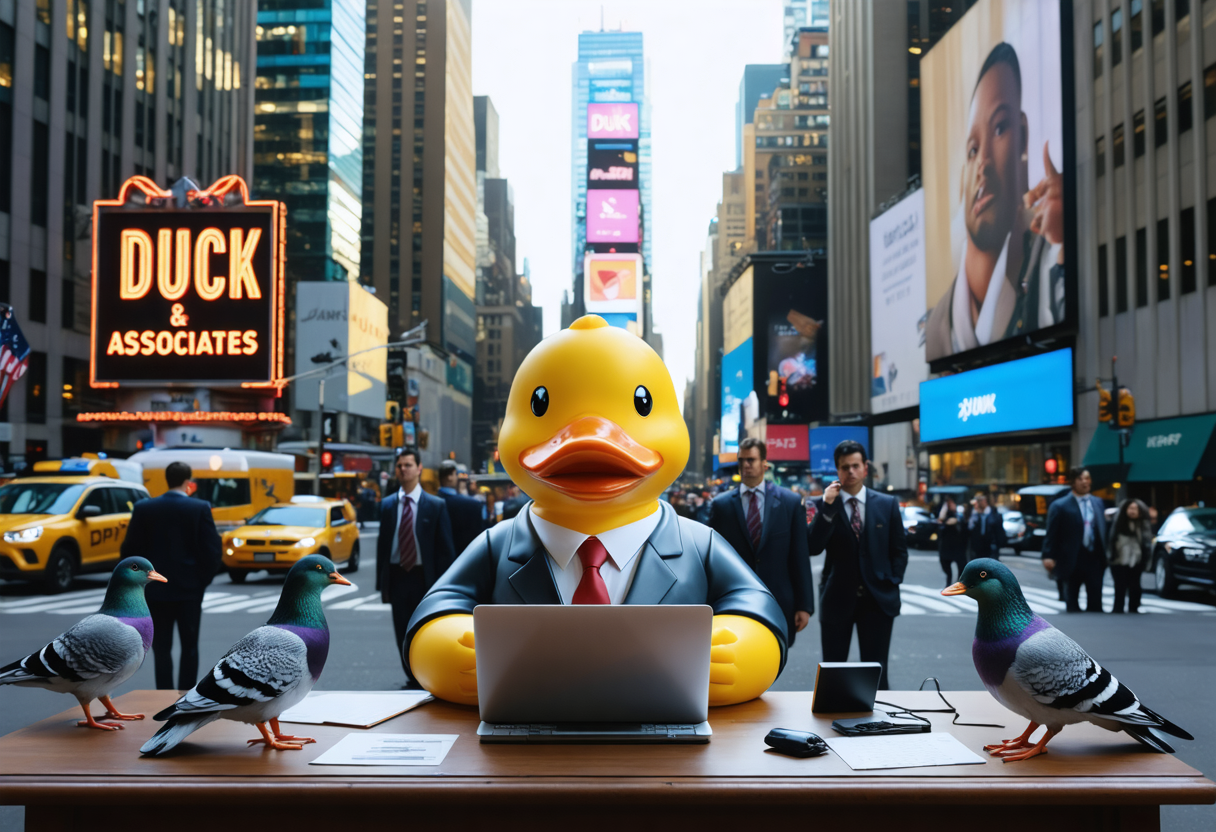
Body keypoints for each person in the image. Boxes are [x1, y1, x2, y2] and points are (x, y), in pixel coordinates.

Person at [924, 42, 1065, 361]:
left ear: (1023, 137)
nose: (983, 163)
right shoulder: (935, 328)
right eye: (972, 150)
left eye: (1000, 128)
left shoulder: (1049, 260)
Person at [807, 440, 908, 690]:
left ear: (865, 468)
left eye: (855, 466)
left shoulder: (887, 503)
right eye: (845, 467)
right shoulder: (823, 505)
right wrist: (827, 507)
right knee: (832, 672)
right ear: (837, 471)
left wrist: (892, 580)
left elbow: (899, 550)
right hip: (837, 598)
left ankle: (880, 714)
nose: (850, 471)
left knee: (877, 673)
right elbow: (813, 546)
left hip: (878, 600)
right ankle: (832, 713)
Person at [120, 461, 222, 690]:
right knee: (190, 646)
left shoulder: (144, 508)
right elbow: (213, 551)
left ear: (167, 480)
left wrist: (142, 583)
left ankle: (163, 694)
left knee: (161, 648)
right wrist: (201, 582)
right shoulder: (200, 508)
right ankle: (185, 694)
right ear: (188, 482)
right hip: (189, 590)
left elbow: (129, 551)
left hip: (155, 590)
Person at [708, 438, 814, 647]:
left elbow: (799, 556)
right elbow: (712, 558)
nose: (745, 465)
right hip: (734, 600)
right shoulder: (721, 505)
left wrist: (804, 605)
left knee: (775, 657)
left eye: (751, 460)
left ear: (764, 463)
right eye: (741, 460)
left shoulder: (790, 503)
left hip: (779, 599)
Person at [376, 448, 457, 683]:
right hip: (398, 576)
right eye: (399, 465)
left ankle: (425, 674)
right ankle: (411, 676)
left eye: (408, 465)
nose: (403, 469)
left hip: (425, 578)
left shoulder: (435, 505)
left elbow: (445, 551)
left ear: (419, 468)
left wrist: (445, 586)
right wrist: (383, 585)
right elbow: (383, 547)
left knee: (425, 628)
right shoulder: (388, 505)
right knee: (401, 629)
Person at [1042, 467, 1108, 613]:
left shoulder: (1098, 503)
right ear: (1072, 482)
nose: (1085, 482)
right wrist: (1048, 555)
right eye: (1080, 479)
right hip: (1071, 558)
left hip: (1095, 557)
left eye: (1087, 478)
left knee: (1096, 603)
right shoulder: (1060, 505)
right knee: (1072, 603)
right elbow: (1051, 533)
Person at [1107, 498, 1152, 613]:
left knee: (1135, 584)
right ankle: (1118, 607)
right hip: (1119, 559)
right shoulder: (1117, 523)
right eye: (1130, 508)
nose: (1133, 511)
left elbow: (1146, 544)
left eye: (1136, 509)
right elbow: (1111, 541)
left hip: (1136, 560)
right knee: (1119, 585)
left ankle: (1134, 607)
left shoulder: (1143, 525)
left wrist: (1146, 561)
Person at [436, 459, 486, 556]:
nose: (458, 479)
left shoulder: (431, 502)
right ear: (450, 476)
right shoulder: (472, 504)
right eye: (456, 474)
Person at [937, 495, 968, 586]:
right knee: (946, 566)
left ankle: (958, 584)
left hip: (958, 545)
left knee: (961, 567)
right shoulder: (945, 514)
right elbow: (940, 520)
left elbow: (964, 525)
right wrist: (944, 508)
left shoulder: (959, 513)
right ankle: (948, 583)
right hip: (947, 546)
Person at [967, 492, 1006, 561]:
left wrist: (998, 544)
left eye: (980, 500)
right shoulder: (976, 515)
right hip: (979, 547)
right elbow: (970, 528)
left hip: (991, 546)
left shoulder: (993, 514)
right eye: (978, 501)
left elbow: (999, 531)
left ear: (985, 500)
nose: (979, 503)